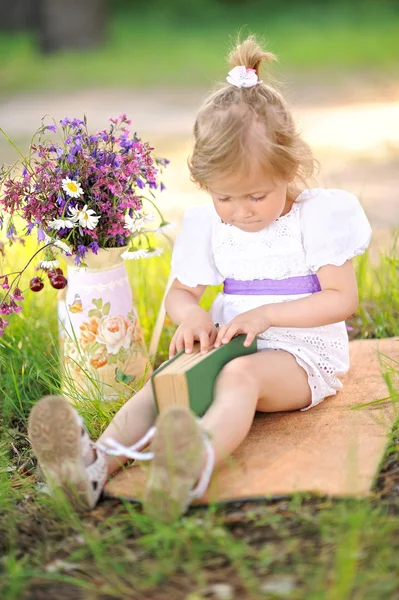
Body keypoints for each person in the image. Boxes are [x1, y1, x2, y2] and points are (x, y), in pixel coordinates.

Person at [28, 36, 372, 523]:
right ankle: (94, 464)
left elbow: (341, 299)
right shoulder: (210, 224)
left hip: (299, 352)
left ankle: (190, 463)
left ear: (289, 168)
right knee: (163, 383)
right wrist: (189, 316)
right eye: (225, 199)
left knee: (240, 377)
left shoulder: (316, 218)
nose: (240, 212)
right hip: (228, 340)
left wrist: (268, 314)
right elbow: (182, 294)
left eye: (256, 196)